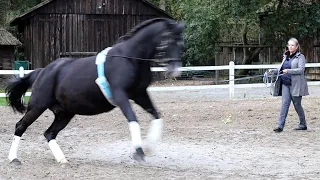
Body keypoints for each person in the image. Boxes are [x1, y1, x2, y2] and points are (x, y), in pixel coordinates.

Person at [269, 37, 309, 132]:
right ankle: (280, 126)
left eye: (292, 45)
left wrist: (288, 71)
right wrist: (274, 71)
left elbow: (301, 70)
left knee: (297, 105)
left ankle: (303, 124)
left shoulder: (300, 57)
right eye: (289, 45)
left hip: (296, 85)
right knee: (285, 104)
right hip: (285, 84)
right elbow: (282, 69)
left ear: (296, 47)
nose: (290, 47)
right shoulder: (285, 56)